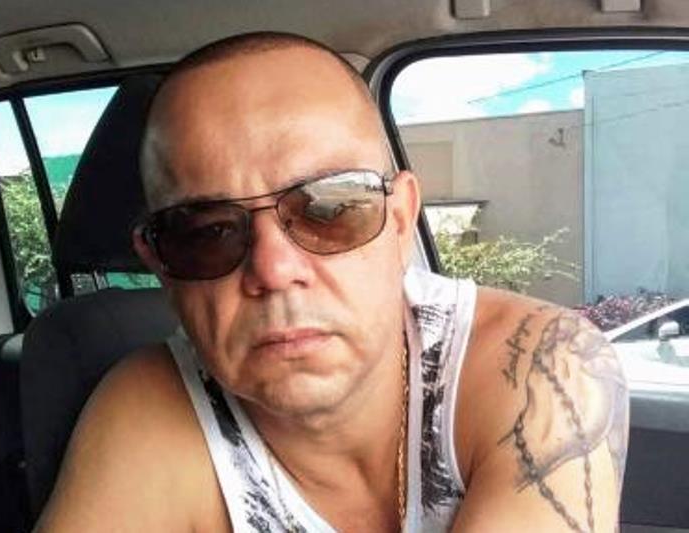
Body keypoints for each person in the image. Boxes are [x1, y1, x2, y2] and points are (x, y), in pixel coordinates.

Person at [35, 32, 629, 532]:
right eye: (206, 232)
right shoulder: (150, 410)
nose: (274, 271)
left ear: (400, 220)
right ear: (159, 262)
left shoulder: (538, 363)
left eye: (331, 208)